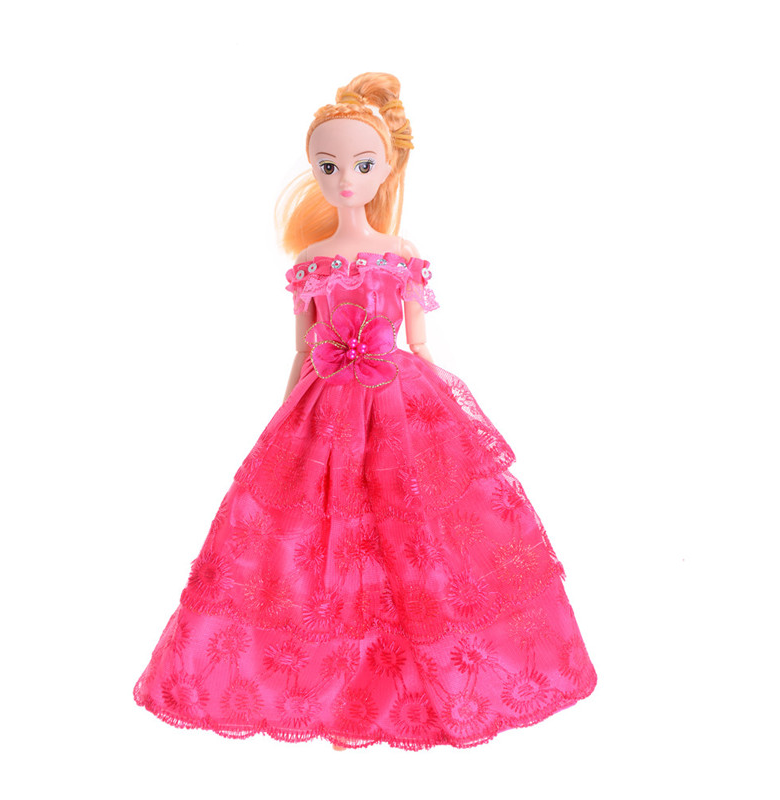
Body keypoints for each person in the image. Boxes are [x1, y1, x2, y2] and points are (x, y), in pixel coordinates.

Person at [133, 72, 597, 751]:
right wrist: (286, 420)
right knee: (319, 540)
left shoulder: (401, 255)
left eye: (360, 164)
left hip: (400, 404)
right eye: (328, 166)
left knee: (417, 534)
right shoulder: (311, 262)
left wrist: (446, 407)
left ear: (385, 170)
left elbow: (421, 343)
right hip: (323, 409)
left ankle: (428, 675)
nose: (344, 178)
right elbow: (302, 350)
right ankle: (326, 683)